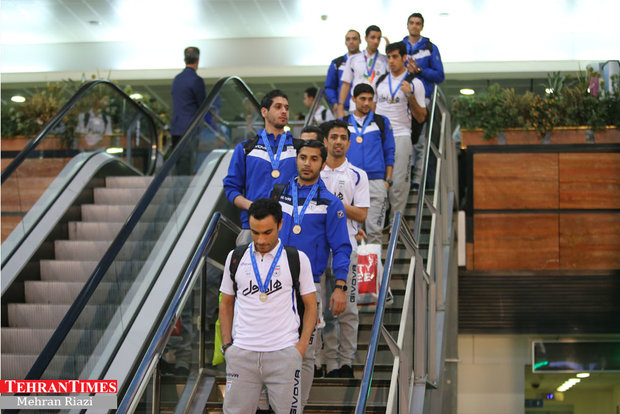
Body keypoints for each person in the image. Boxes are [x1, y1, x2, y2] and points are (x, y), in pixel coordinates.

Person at [219, 198, 317, 414]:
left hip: (284, 355)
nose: (261, 239)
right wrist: (228, 347)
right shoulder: (235, 258)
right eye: (255, 232)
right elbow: (226, 304)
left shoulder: (297, 259)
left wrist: (300, 349)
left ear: (280, 225)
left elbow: (311, 306)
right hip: (242, 355)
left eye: (267, 232)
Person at [274, 140, 352, 410]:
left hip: (310, 286)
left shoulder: (331, 203)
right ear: (297, 160)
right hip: (274, 283)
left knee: (305, 351)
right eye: (303, 157)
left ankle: (296, 407)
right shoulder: (280, 194)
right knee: (269, 346)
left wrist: (340, 286)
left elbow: (342, 248)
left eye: (314, 159)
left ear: (322, 163)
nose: (307, 163)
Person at [317, 119, 369, 378]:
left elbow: (361, 214)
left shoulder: (358, 174)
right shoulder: (313, 171)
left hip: (345, 249)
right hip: (314, 250)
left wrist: (333, 203)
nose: (338, 141)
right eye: (333, 137)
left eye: (342, 137)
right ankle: (322, 363)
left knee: (347, 310)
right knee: (317, 311)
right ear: (325, 141)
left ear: (349, 142)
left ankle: (346, 364)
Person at [223, 89, 299, 246]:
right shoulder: (246, 149)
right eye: (278, 107)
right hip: (252, 227)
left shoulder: (299, 149)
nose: (284, 111)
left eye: (286, 107)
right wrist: (253, 206)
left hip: (289, 227)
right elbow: (231, 189)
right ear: (264, 112)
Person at [374, 41, 426, 223]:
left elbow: (421, 117)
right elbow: (373, 111)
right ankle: (380, 222)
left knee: (398, 183)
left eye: (395, 56)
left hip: (402, 135)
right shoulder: (379, 81)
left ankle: (397, 222)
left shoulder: (415, 83)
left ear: (404, 58)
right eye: (388, 57)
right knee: (379, 182)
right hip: (379, 138)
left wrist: (409, 95)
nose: (391, 61)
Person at [343, 83, 395, 244]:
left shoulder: (381, 122)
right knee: (350, 233)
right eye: (362, 99)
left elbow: (390, 152)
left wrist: (387, 180)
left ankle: (374, 270)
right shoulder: (343, 123)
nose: (366, 103)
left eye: (370, 99)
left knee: (375, 233)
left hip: (376, 182)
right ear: (353, 99)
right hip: (350, 181)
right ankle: (353, 269)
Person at [403, 12, 445, 188]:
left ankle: (417, 181)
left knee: (420, 141)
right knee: (404, 139)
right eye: (412, 22)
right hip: (403, 98)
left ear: (422, 26)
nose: (414, 26)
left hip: (423, 99)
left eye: (418, 23)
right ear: (407, 25)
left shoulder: (430, 47)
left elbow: (439, 75)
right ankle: (404, 178)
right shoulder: (400, 47)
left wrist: (419, 70)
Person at [336, 25, 388, 119]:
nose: (376, 41)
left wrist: (389, 51)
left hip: (377, 106)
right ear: (365, 38)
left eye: (378, 38)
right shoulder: (353, 59)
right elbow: (346, 84)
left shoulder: (385, 60)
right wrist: (340, 107)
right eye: (372, 37)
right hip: (356, 105)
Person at [170, 46, 206, 146]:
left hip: (176, 128)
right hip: (190, 129)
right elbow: (203, 105)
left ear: (184, 60)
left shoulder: (177, 79)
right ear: (198, 61)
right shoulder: (196, 80)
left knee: (177, 160)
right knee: (189, 161)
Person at [324, 30, 361, 115]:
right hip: (344, 108)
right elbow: (330, 86)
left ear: (360, 41)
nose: (351, 42)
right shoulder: (337, 63)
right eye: (348, 39)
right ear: (345, 42)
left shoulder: (366, 61)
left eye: (354, 39)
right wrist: (335, 102)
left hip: (363, 106)